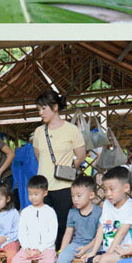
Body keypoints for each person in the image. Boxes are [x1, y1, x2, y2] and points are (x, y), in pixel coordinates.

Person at [32, 90, 86, 247]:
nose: (40, 113)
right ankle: (44, 257)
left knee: (62, 224)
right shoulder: (39, 132)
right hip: (43, 187)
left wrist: (67, 170)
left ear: (55, 107)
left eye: (43, 108)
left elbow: (81, 155)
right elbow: (38, 156)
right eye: (38, 109)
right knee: (42, 224)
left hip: (64, 186)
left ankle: (59, 257)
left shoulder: (71, 130)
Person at [48, 174, 101, 263]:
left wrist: (88, 249)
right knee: (64, 256)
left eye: (79, 196)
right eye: (72, 196)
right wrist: (62, 250)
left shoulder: (99, 212)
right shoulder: (72, 213)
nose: (75, 199)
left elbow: (100, 235)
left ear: (91, 195)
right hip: (77, 243)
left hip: (95, 244)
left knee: (93, 261)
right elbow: (68, 233)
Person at [12, 175, 58, 263]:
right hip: (29, 248)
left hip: (46, 248)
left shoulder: (50, 212)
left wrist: (41, 249)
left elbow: (52, 234)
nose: (32, 197)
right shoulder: (26, 212)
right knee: (16, 262)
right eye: (30, 194)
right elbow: (22, 231)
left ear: (45, 193)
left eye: (36, 194)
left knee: (49, 262)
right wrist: (26, 247)